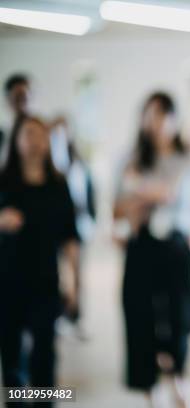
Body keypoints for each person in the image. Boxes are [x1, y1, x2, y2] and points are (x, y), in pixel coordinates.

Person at [113, 92, 190, 407]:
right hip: (141, 244)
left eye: (163, 114)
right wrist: (147, 196)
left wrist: (142, 191)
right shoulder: (132, 157)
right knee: (139, 314)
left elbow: (187, 198)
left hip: (176, 244)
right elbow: (119, 207)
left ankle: (178, 373)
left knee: (180, 315)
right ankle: (148, 386)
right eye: (150, 114)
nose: (157, 122)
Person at [0, 115, 80, 405]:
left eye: (40, 134)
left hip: (46, 280)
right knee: (11, 357)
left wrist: (73, 280)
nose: (34, 141)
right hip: (7, 281)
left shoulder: (58, 185)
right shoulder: (4, 182)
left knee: (44, 354)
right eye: (27, 134)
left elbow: (70, 238)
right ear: (16, 141)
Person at [1, 74, 32, 164]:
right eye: (17, 97)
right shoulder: (3, 135)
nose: (22, 103)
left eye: (25, 97)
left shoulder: (42, 132)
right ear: (8, 100)